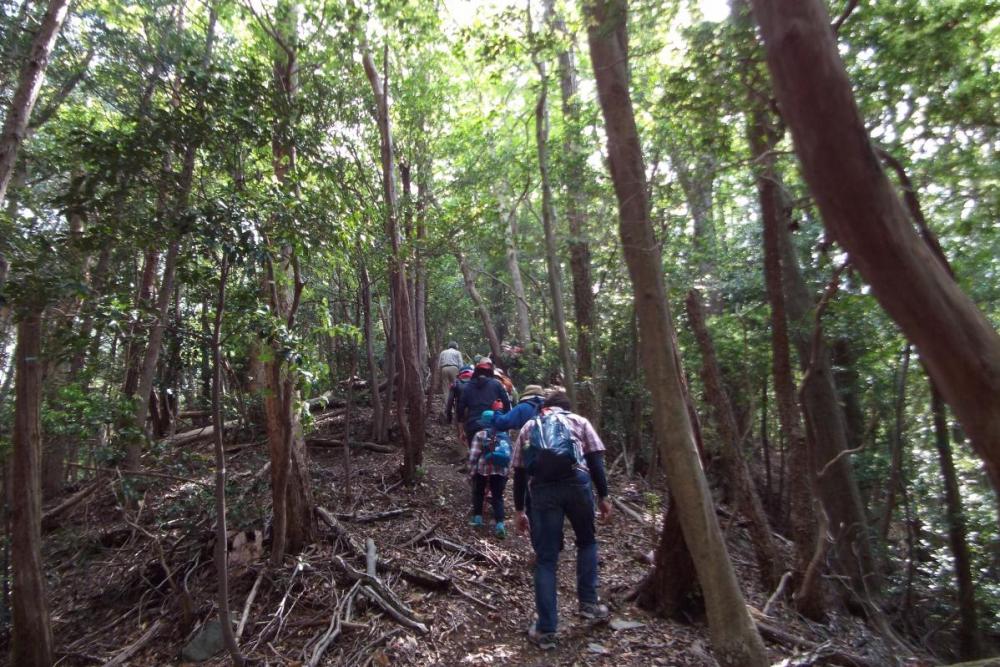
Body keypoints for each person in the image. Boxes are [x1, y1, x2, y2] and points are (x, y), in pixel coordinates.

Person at [511, 390, 612, 650]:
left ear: (545, 407)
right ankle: (589, 604)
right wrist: (604, 496)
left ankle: (546, 629)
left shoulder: (530, 426)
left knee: (546, 559)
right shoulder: (579, 422)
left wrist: (519, 509)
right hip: (577, 484)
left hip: (542, 491)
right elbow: (595, 462)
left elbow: (520, 472)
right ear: (566, 407)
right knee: (587, 542)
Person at [467, 427, 512, 538]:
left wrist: (471, 472)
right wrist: (507, 473)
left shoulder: (480, 434)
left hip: (483, 469)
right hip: (500, 471)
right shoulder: (504, 435)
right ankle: (500, 525)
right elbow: (509, 455)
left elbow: (473, 456)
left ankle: (477, 519)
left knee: (478, 493)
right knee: (498, 497)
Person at [456, 357, 511, 445]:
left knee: (474, 454)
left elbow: (460, 408)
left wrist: (461, 428)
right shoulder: (496, 384)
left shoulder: (467, 387)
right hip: (494, 424)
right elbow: (506, 403)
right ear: (490, 373)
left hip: (473, 426)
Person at [478, 384, 545, 433]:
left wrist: (497, 410)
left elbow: (502, 423)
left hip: (529, 446)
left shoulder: (522, 407)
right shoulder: (549, 407)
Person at [437, 342, 464, 411]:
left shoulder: (443, 352)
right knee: (456, 386)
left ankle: (448, 407)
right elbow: (460, 363)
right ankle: (456, 405)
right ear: (455, 346)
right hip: (454, 368)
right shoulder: (457, 352)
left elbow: (439, 363)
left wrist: (440, 371)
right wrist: (461, 372)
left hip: (444, 369)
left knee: (446, 389)